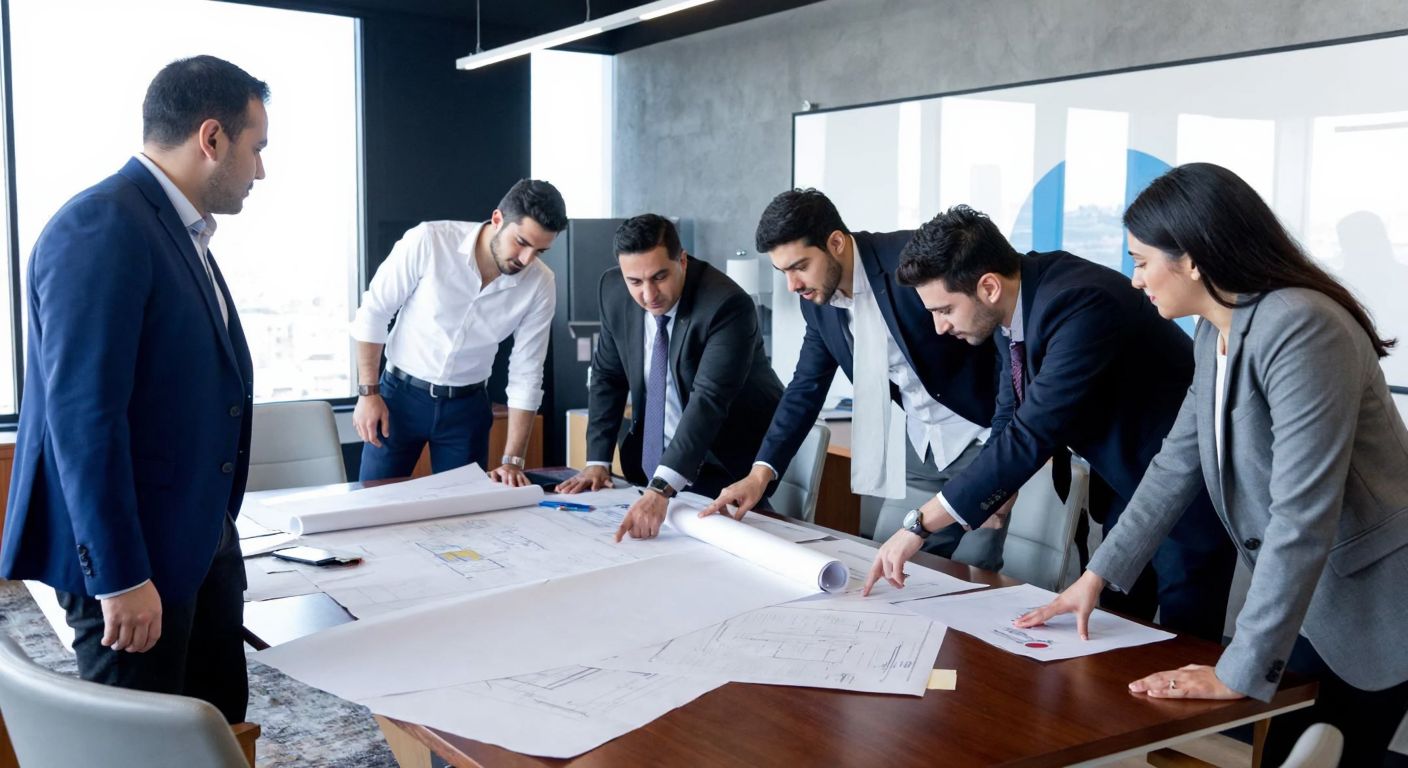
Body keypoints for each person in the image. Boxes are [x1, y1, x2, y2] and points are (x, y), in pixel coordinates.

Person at [1017, 163, 1408, 766]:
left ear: (1192, 259)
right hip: (1310, 599)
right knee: (1287, 750)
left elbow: (1301, 515)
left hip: (1371, 601)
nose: (1135, 277)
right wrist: (1093, 579)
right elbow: (1174, 465)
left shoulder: (1303, 326)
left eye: (1143, 260)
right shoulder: (1215, 330)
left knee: (1318, 754)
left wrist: (1237, 669)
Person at [0, 56, 268, 722]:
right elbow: (84, 420)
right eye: (257, 148)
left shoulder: (175, 229)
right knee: (138, 743)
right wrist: (119, 575)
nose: (261, 171)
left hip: (195, 543)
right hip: (133, 563)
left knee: (214, 730)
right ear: (212, 139)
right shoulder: (103, 226)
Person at [864, 204, 1235, 643]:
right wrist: (993, 496)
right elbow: (1010, 412)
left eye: (944, 310)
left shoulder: (1079, 302)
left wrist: (919, 523)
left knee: (1182, 644)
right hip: (1127, 486)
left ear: (987, 287)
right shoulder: (1019, 301)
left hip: (1186, 496)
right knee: (1111, 630)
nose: (939, 327)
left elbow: (1034, 431)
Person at [703, 189, 1005, 570]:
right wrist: (759, 474)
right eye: (783, 272)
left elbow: (1001, 340)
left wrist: (1003, 447)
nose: (792, 285)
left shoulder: (911, 262)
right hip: (921, 444)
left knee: (972, 573)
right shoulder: (818, 303)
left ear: (835, 242)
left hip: (982, 437)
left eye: (799, 266)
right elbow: (805, 388)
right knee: (886, 564)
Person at [556, 214, 783, 540]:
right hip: (647, 465)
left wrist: (661, 489)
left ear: (683, 261)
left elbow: (708, 399)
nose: (648, 295)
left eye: (659, 277)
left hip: (723, 464)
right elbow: (608, 376)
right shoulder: (613, 290)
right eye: (635, 281)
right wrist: (597, 463)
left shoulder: (726, 305)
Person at [349, 179, 566, 485]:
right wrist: (368, 393)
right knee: (370, 505)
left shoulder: (541, 283)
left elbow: (527, 371)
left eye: (539, 251)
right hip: (397, 399)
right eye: (521, 242)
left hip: (466, 410)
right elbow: (374, 312)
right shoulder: (430, 240)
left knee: (462, 518)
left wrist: (513, 460)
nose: (526, 259)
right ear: (497, 219)